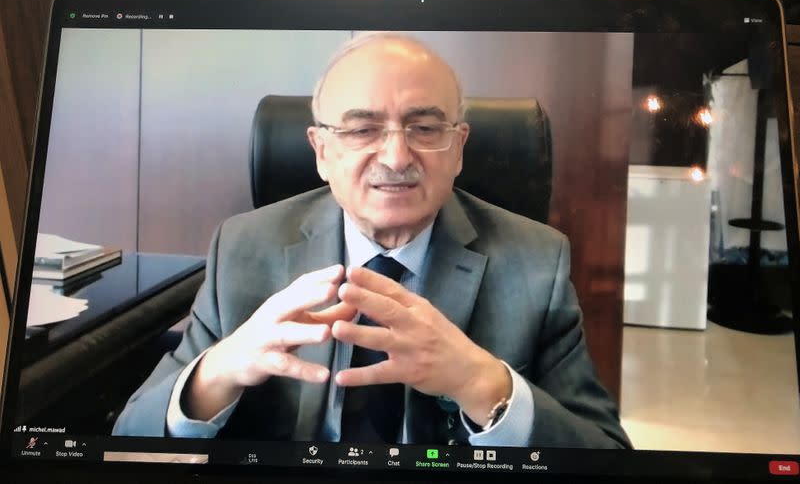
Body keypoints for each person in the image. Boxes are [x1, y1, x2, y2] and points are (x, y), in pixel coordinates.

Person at [113, 32, 631, 449]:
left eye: (425, 128)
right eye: (362, 130)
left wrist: (482, 383)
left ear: (458, 149)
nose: (397, 157)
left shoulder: (536, 264)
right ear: (321, 151)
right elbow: (128, 436)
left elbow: (606, 455)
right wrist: (222, 369)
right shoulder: (245, 248)